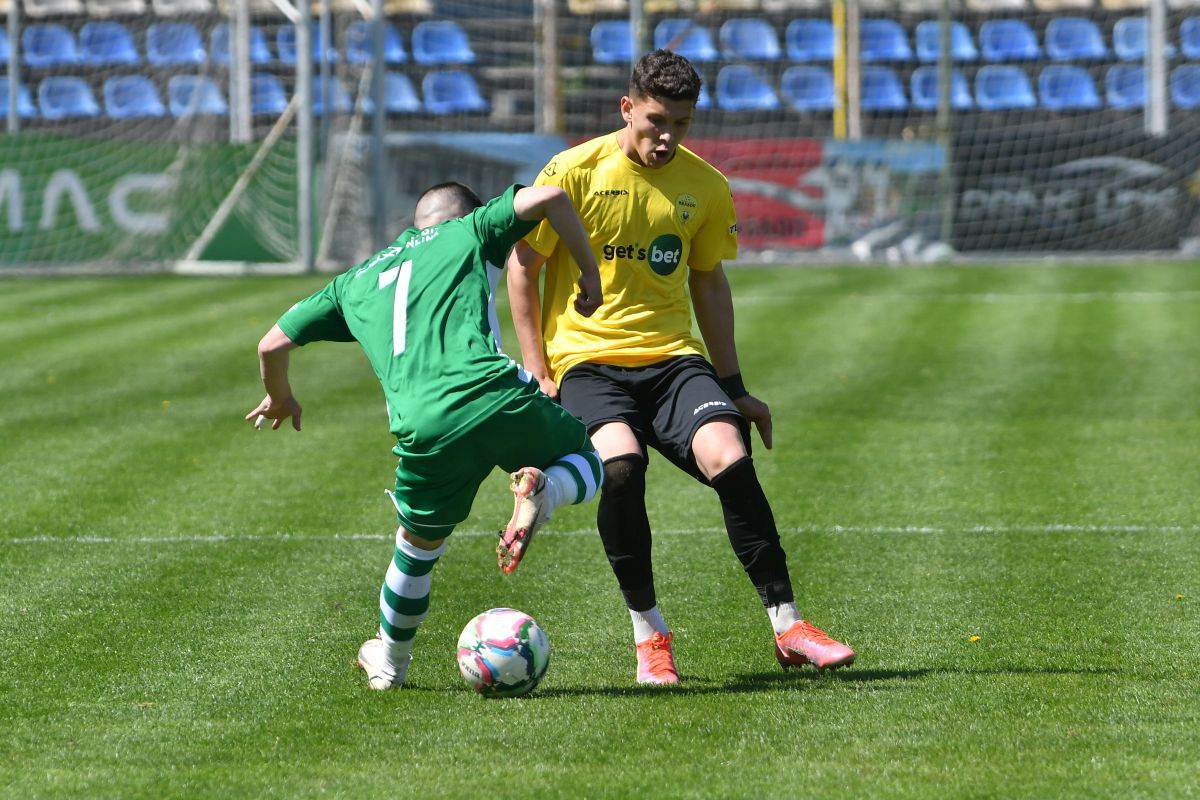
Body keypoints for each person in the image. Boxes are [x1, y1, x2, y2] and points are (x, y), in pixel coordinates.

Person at [506, 50, 855, 685]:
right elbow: (522, 267)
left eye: (681, 124)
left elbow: (709, 284)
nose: (667, 137)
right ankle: (650, 638)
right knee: (621, 467)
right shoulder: (573, 172)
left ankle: (789, 627)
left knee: (730, 455)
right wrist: (538, 372)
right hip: (587, 362)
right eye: (656, 121)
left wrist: (735, 388)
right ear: (627, 108)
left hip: (671, 360)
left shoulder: (705, 187)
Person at [245, 181, 605, 691]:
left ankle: (389, 664)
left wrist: (280, 397)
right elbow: (549, 197)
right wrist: (590, 273)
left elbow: (270, 344)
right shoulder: (470, 231)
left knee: (416, 551)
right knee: (592, 461)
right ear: (469, 214)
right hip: (494, 395)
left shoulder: (353, 282)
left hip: (424, 429)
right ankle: (545, 494)